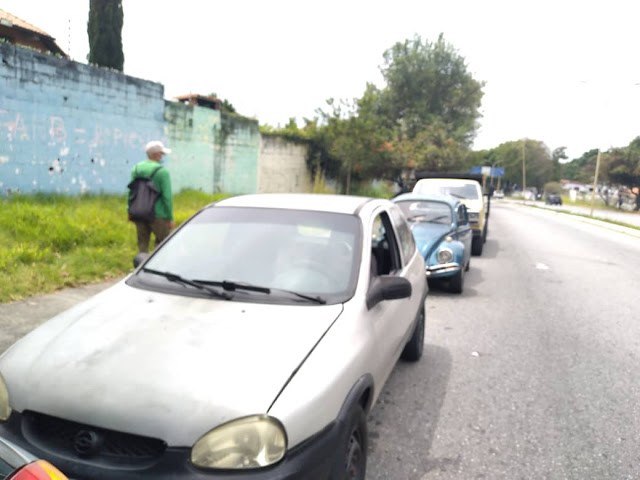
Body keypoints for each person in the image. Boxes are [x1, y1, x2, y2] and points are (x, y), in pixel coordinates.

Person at [129, 140, 174, 253]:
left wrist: (129, 210)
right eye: (161, 154)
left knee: (142, 243)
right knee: (163, 243)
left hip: (139, 211)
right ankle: (158, 266)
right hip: (157, 214)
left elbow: (132, 192)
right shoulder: (162, 172)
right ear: (157, 155)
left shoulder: (136, 168)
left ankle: (141, 265)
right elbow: (167, 197)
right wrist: (170, 217)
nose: (162, 156)